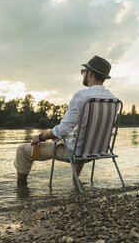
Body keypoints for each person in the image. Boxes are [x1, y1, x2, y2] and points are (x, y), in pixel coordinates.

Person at [14, 55, 118, 185]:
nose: (82, 74)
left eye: (83, 71)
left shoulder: (82, 96)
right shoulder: (114, 100)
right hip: (97, 150)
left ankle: (21, 188)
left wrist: (40, 137)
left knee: (23, 151)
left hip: (76, 152)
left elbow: (64, 129)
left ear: (90, 73)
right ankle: (76, 180)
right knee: (78, 138)